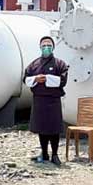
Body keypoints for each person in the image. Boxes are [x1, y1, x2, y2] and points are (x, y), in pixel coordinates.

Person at [24, 36, 69, 165]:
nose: (46, 47)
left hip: (53, 100)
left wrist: (47, 78)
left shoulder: (60, 64)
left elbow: (63, 80)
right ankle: (44, 153)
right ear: (40, 47)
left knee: (54, 128)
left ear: (53, 47)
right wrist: (35, 79)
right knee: (41, 128)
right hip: (39, 99)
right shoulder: (34, 64)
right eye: (44, 45)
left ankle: (55, 154)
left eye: (49, 45)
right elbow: (25, 78)